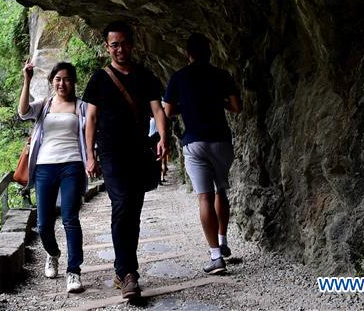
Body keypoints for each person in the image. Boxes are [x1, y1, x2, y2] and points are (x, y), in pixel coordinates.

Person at [83, 21, 167, 299]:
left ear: (132, 44)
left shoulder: (145, 76)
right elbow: (91, 118)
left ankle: (125, 271)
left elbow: (157, 109)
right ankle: (127, 272)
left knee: (134, 211)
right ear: (107, 47)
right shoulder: (99, 79)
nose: (120, 49)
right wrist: (90, 155)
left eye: (124, 43)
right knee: (121, 206)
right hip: (111, 153)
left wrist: (164, 137)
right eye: (114, 44)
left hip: (139, 152)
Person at [163, 33, 241, 275]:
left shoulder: (179, 77)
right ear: (210, 52)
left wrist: (187, 106)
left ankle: (216, 256)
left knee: (204, 197)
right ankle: (223, 240)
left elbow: (167, 111)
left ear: (188, 54)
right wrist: (218, 102)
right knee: (221, 191)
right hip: (221, 141)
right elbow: (236, 107)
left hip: (195, 142)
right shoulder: (222, 75)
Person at [18, 60, 88, 294]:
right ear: (51, 81)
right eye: (58, 79)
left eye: (67, 79)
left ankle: (74, 271)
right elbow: (23, 112)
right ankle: (53, 253)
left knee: (70, 219)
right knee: (43, 223)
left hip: (72, 165)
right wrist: (27, 80)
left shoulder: (81, 107)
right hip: (44, 166)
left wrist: (92, 159)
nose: (62, 83)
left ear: (73, 82)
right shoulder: (44, 105)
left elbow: (91, 130)